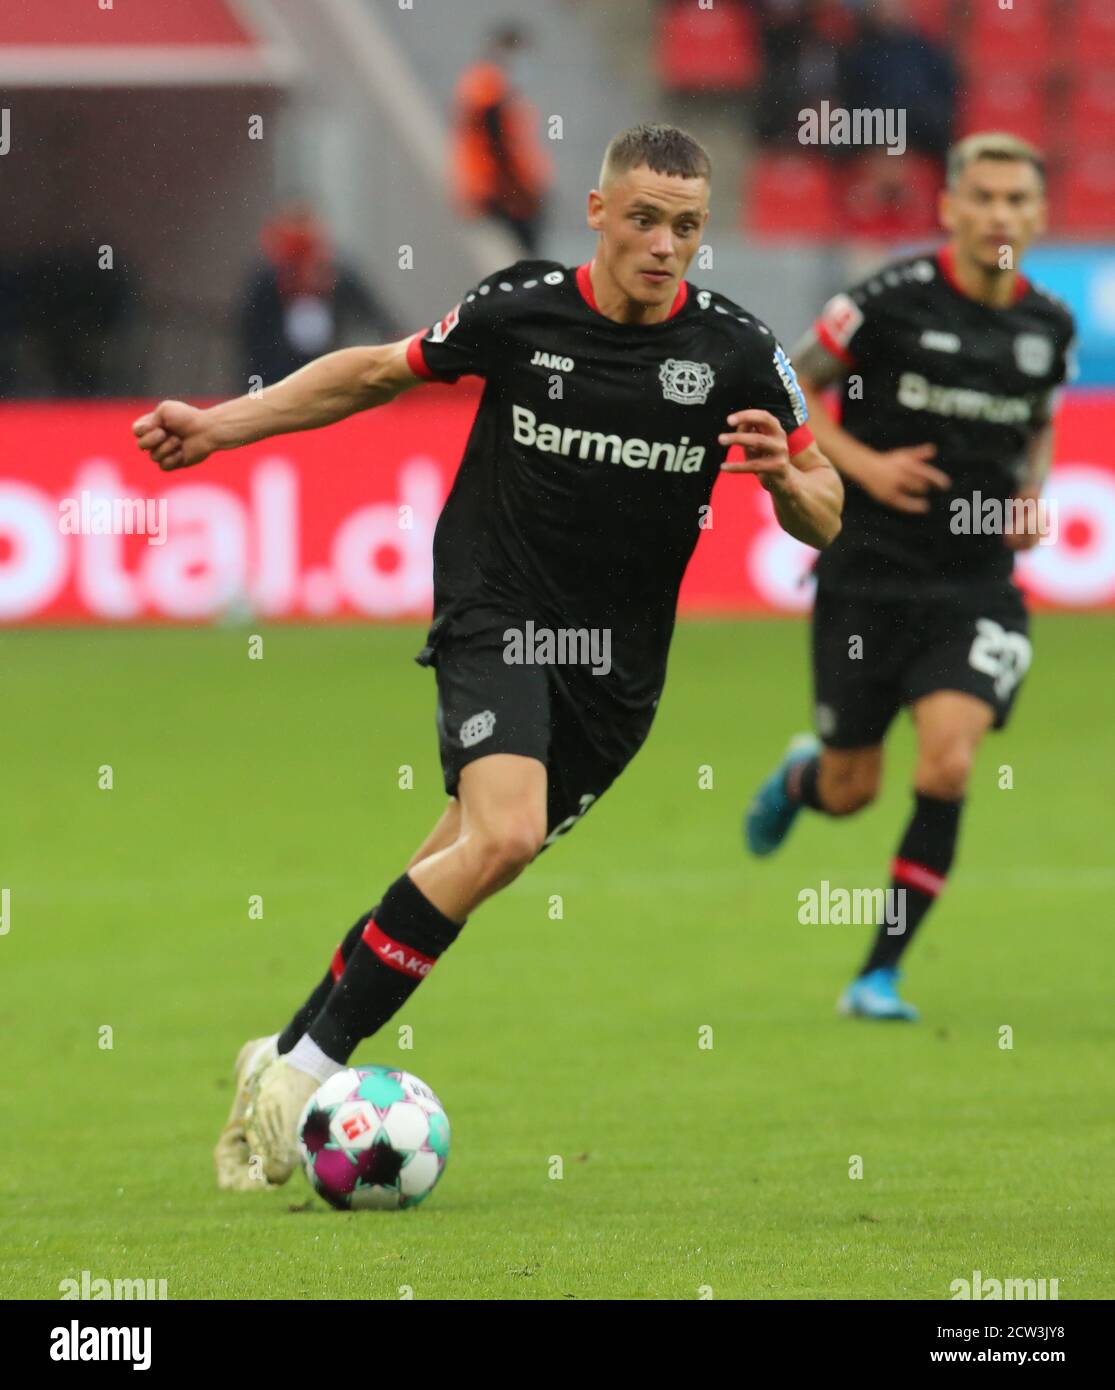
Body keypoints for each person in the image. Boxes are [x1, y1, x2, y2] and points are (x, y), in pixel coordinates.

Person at [132, 123, 842, 1191]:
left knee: (446, 868)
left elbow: (826, 503)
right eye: (642, 218)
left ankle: (276, 1056)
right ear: (597, 213)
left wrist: (788, 485)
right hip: (494, 606)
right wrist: (223, 426)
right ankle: (312, 1069)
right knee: (502, 836)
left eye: (686, 226)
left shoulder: (738, 352)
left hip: (616, 672)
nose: (663, 244)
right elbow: (374, 371)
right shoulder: (521, 310)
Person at [744, 133, 1076, 1020]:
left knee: (948, 762)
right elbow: (794, 390)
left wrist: (1030, 494)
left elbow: (1036, 424)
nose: (1001, 214)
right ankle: (799, 780)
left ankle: (876, 974)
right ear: (951, 209)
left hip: (975, 586)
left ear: (1039, 216)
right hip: (867, 575)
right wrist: (862, 466)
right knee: (852, 791)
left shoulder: (1048, 326)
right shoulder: (884, 301)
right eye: (986, 197)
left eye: (1018, 200)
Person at [239, 204, 396, 387]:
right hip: (277, 374)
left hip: (327, 367)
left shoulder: (338, 274)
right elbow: (249, 332)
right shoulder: (266, 279)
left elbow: (373, 312)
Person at [450, 23, 552, 254]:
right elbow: (498, 144)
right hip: (500, 194)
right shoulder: (488, 87)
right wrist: (520, 191)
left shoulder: (493, 86)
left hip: (504, 192)